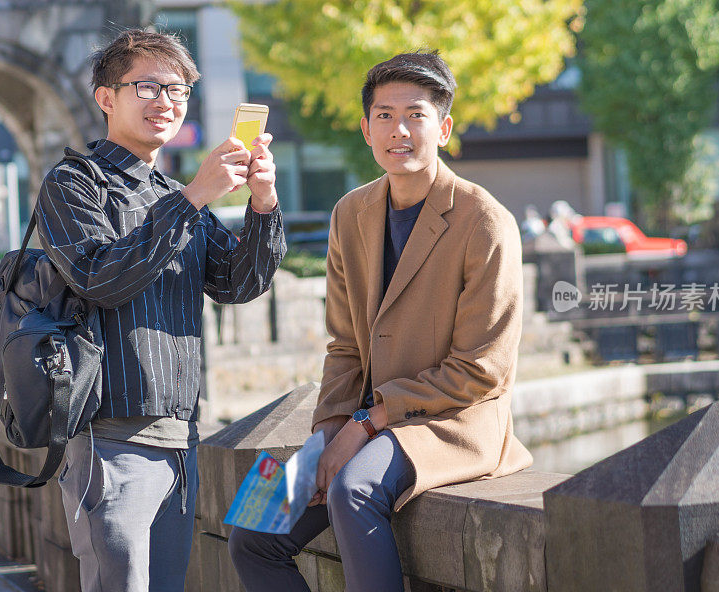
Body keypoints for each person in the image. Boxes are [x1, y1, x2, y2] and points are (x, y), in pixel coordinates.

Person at [229, 50, 532, 592]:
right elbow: (343, 344)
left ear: (444, 127)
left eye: (416, 115)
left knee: (353, 488)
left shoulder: (486, 220)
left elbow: (481, 370)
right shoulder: (350, 212)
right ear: (366, 129)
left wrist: (365, 425)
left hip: (450, 419)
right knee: (249, 525)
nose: (400, 130)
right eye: (385, 116)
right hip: (361, 421)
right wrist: (328, 434)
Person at [35, 29, 285, 592]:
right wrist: (195, 195)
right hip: (110, 435)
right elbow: (101, 278)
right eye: (146, 86)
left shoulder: (173, 193)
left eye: (178, 90)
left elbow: (239, 283)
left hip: (181, 437)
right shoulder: (74, 184)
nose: (165, 102)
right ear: (106, 98)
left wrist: (263, 205)